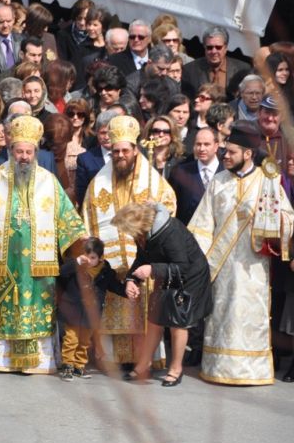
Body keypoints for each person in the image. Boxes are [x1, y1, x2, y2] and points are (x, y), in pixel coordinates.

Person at [0, 115, 86, 373]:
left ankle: (38, 362)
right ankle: (2, 360)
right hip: (5, 265)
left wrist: (81, 243)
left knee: (37, 313)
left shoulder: (49, 182)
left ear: (35, 153)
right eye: (19, 151)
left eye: (28, 152)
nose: (23, 156)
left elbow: (68, 218)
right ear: (11, 151)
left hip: (38, 269)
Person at [189, 124, 294, 385]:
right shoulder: (218, 182)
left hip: (253, 265)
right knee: (221, 314)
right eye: (225, 151)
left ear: (248, 153)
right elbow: (202, 224)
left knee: (250, 315)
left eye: (231, 152)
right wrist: (201, 260)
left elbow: (289, 219)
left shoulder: (267, 182)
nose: (225, 156)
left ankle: (252, 370)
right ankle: (218, 368)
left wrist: (272, 219)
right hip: (221, 266)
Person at [81, 115, 177, 367]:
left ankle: (143, 361)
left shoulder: (153, 181)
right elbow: (89, 220)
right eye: (116, 151)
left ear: (135, 150)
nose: (121, 155)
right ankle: (118, 361)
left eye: (125, 150)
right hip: (113, 263)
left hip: (144, 259)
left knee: (144, 310)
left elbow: (169, 209)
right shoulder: (97, 184)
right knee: (117, 308)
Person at [113, 202, 213, 386]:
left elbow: (183, 266)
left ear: (138, 225)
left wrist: (152, 268)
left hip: (190, 276)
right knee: (154, 319)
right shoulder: (143, 233)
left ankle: (176, 369)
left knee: (178, 322)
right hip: (167, 273)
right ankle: (144, 365)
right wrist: (131, 280)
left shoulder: (169, 232)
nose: (127, 234)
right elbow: (141, 259)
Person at [57, 237, 123, 381]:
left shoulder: (106, 272)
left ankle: (79, 366)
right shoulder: (74, 265)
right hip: (73, 310)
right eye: (85, 256)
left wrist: (128, 290)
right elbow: (61, 272)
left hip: (90, 314)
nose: (88, 260)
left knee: (85, 341)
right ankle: (67, 365)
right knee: (71, 339)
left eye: (92, 257)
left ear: (100, 258)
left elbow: (115, 287)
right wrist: (77, 263)